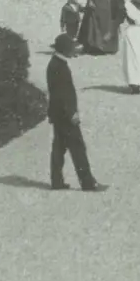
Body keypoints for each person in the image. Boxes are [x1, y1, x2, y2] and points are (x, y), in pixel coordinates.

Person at [46, 33, 104, 192]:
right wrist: (72, 113)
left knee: (59, 148)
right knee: (77, 148)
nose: (74, 51)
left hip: (58, 114)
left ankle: (56, 181)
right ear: (65, 49)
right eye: (72, 48)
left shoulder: (55, 63)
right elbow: (62, 94)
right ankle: (88, 183)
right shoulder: (59, 66)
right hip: (65, 115)